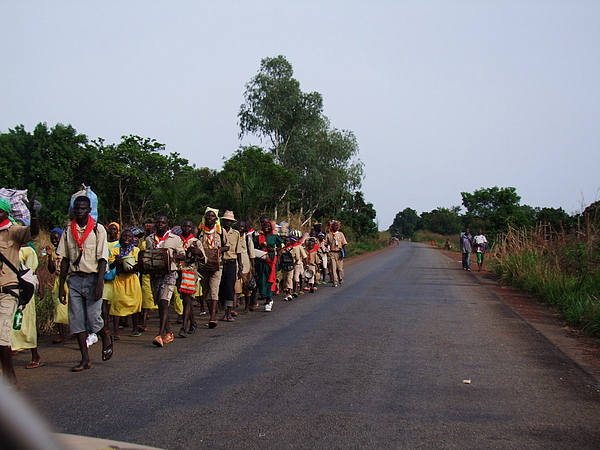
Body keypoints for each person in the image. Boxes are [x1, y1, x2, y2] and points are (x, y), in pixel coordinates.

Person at [57, 195, 113, 372]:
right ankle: (84, 359)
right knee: (76, 321)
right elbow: (65, 258)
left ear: (89, 210)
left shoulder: (98, 230)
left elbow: (103, 258)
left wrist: (99, 284)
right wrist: (61, 286)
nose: (79, 211)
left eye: (83, 208)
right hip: (74, 279)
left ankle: (105, 337)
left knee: (93, 317)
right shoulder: (68, 231)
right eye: (77, 208)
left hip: (92, 278)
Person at [0, 196, 39, 388]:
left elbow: (33, 233)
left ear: (6, 213)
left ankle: (11, 378)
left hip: (8, 290)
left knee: (2, 337)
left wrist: (34, 214)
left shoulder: (13, 232)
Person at [145, 214, 184, 347]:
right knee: (160, 304)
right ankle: (169, 332)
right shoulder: (150, 239)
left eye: (163, 222)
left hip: (169, 272)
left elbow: (182, 255)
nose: (160, 224)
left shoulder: (175, 239)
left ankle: (160, 334)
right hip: (155, 273)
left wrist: (172, 256)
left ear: (167, 224)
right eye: (158, 222)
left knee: (164, 301)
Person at [11, 243, 43, 369]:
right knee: (7, 326)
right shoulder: (6, 247)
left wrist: (39, 288)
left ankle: (35, 355)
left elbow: (31, 272)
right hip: (9, 291)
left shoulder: (28, 250)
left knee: (26, 325)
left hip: (24, 292)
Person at [197, 207, 229, 328]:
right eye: (208, 216)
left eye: (212, 216)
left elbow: (228, 246)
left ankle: (213, 317)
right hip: (202, 265)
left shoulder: (221, 231)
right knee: (205, 291)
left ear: (216, 219)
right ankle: (211, 312)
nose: (210, 218)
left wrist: (219, 250)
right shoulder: (199, 231)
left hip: (217, 265)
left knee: (214, 289)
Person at [109, 229, 143, 336]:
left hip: (132, 279)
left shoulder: (136, 250)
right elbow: (110, 265)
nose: (127, 238)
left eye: (129, 236)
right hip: (119, 279)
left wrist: (134, 268)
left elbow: (140, 265)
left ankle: (134, 329)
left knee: (134, 303)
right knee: (117, 304)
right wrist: (116, 262)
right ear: (121, 238)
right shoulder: (116, 250)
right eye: (124, 236)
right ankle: (116, 332)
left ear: (132, 238)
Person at [177, 219, 205, 337]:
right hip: (178, 271)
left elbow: (204, 260)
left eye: (189, 226)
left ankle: (184, 326)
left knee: (187, 298)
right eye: (184, 226)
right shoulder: (176, 240)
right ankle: (193, 322)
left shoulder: (195, 242)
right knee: (184, 298)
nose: (186, 228)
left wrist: (199, 253)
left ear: (192, 228)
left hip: (190, 272)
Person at [253, 219, 283, 312]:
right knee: (262, 279)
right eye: (265, 226)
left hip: (271, 260)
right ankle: (264, 295)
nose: (266, 227)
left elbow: (281, 245)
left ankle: (269, 300)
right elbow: (253, 247)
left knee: (270, 279)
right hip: (261, 260)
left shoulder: (275, 237)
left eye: (268, 226)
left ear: (271, 227)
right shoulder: (258, 237)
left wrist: (273, 250)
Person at [218, 211, 242, 322]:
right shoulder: (218, 232)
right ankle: (222, 309)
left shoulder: (236, 234)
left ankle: (228, 312)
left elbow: (238, 251)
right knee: (221, 287)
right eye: (226, 220)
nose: (227, 222)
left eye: (230, 221)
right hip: (220, 263)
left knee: (230, 287)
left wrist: (240, 266)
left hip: (231, 262)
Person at [47, 228, 69, 344]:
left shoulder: (67, 251)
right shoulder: (54, 252)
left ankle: (76, 331)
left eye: (57, 238)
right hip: (58, 281)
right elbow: (51, 270)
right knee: (58, 307)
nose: (55, 241)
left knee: (72, 307)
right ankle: (61, 334)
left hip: (68, 281)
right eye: (52, 239)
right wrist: (49, 257)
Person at [236, 219, 255, 314]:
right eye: (238, 226)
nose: (239, 228)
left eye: (242, 226)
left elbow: (252, 254)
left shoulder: (247, 239)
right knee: (235, 288)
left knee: (246, 287)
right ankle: (232, 309)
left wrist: (253, 268)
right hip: (234, 266)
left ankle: (247, 307)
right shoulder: (233, 237)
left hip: (246, 267)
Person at [325, 220, 348, 287]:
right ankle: (335, 281)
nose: (335, 227)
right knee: (333, 268)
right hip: (332, 253)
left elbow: (343, 244)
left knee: (340, 268)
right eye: (333, 226)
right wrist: (327, 249)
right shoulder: (329, 235)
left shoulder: (340, 234)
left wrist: (344, 252)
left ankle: (340, 278)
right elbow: (326, 243)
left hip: (339, 252)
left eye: (336, 226)